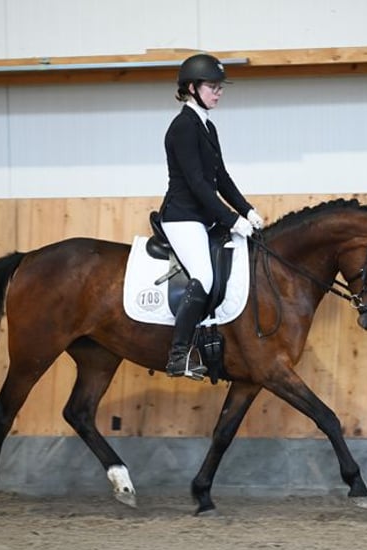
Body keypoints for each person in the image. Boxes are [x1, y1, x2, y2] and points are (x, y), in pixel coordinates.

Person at [158, 52, 264, 379]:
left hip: (203, 217)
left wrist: (247, 209)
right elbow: (198, 185)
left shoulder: (208, 126)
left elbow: (221, 179)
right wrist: (233, 220)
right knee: (203, 275)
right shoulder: (182, 127)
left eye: (221, 88)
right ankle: (178, 355)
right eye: (212, 87)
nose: (218, 93)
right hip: (182, 216)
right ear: (192, 87)